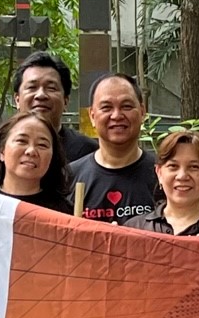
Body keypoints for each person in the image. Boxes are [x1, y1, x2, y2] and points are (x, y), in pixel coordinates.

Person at [68, 72, 160, 224]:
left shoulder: (164, 176)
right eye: (106, 107)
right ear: (92, 116)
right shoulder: (69, 178)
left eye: (126, 106)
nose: (116, 115)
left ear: (142, 112)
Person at [124, 129, 199, 237]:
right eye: (173, 166)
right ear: (159, 173)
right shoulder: (135, 229)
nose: (182, 176)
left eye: (194, 167)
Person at [0, 52, 96, 163]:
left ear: (65, 101)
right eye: (32, 87)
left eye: (51, 88)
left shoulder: (87, 152)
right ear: (17, 99)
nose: (40, 95)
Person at [0, 111, 75, 212]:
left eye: (42, 145)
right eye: (22, 141)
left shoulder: (65, 214)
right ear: (1, 151)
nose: (31, 151)